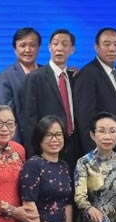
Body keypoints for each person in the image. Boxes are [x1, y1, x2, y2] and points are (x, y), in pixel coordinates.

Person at [73, 27, 116, 159]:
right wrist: (94, 156)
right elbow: (85, 120)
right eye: (106, 44)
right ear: (96, 47)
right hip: (100, 153)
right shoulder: (88, 74)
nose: (112, 49)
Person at [20, 29, 79, 164]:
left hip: (72, 145)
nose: (59, 48)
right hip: (46, 147)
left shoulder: (74, 77)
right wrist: (33, 155)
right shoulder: (35, 77)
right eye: (55, 44)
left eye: (64, 44)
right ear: (49, 47)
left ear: (72, 49)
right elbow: (29, 120)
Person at [0, 27, 42, 135]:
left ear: (38, 48)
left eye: (32, 45)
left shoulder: (47, 73)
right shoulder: (5, 77)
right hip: (19, 138)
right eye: (23, 45)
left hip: (46, 139)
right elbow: (5, 116)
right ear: (15, 49)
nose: (28, 50)